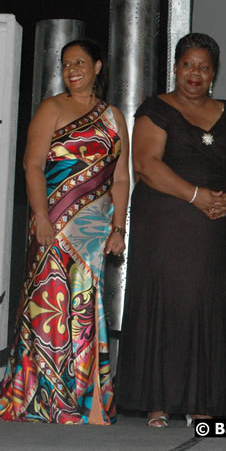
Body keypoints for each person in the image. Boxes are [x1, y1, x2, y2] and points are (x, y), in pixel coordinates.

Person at [117, 33, 226, 427]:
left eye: (204, 66)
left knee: (202, 304)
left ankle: (200, 397)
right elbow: (146, 164)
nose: (195, 73)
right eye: (188, 64)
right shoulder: (156, 109)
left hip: (211, 225)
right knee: (165, 301)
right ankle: (158, 399)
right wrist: (197, 196)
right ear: (175, 67)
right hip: (165, 219)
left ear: (214, 73)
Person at [0, 39, 128, 424]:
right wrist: (40, 216)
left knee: (85, 310)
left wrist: (119, 227)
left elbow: (120, 178)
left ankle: (84, 400)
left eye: (80, 62)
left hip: (94, 229)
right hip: (52, 224)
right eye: (66, 63)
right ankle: (42, 398)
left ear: (97, 67)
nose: (72, 69)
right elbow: (32, 166)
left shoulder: (113, 116)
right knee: (49, 307)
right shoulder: (51, 108)